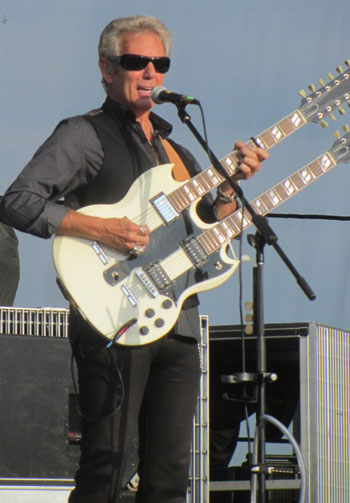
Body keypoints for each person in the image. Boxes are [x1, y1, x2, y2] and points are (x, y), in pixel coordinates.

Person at [0, 15, 268, 503]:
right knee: (107, 469)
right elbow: (18, 201)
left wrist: (230, 190)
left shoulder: (180, 149)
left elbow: (206, 230)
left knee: (168, 479)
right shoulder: (83, 135)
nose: (149, 72)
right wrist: (102, 228)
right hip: (113, 318)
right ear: (106, 70)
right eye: (135, 62)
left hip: (179, 327)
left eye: (159, 63)